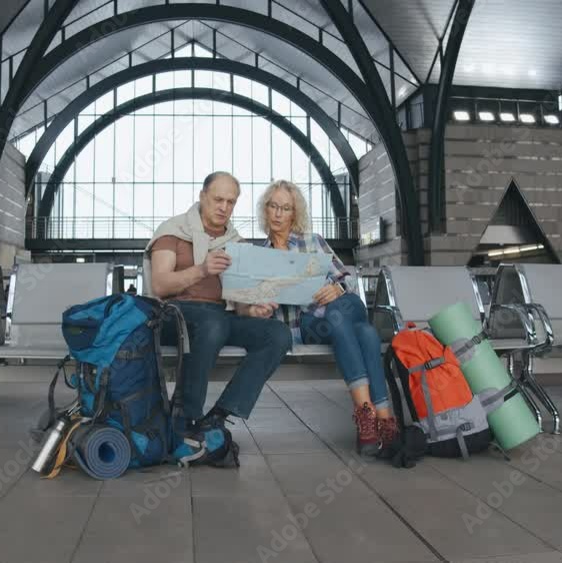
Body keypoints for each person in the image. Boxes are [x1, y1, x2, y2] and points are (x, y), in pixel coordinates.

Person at [145, 171, 293, 443]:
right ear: (202, 197)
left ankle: (219, 415)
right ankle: (183, 418)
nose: (224, 207)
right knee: (213, 323)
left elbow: (238, 304)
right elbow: (160, 286)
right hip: (171, 316)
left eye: (231, 202)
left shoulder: (236, 244)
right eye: (218, 200)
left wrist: (252, 310)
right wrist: (201, 269)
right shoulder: (172, 231)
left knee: (279, 333)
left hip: (218, 318)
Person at [258, 180, 396, 456]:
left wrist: (336, 288)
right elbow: (264, 306)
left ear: (294, 213)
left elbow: (344, 280)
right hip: (308, 322)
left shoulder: (313, 241)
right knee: (366, 333)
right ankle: (382, 417)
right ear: (265, 209)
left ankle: (365, 415)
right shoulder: (261, 256)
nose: (277, 213)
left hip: (344, 306)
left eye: (285, 208)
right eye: (273, 206)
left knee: (339, 311)